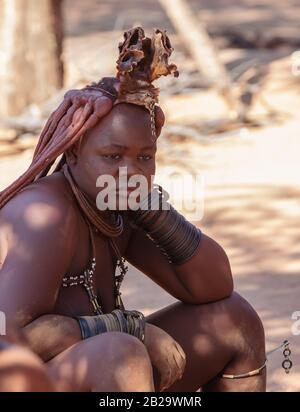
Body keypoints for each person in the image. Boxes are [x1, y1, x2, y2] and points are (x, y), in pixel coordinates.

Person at [0, 27, 266, 392]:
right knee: (120, 352)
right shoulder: (46, 212)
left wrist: (155, 210)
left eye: (145, 157)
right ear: (74, 151)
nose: (131, 172)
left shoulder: (118, 204)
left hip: (107, 374)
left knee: (236, 320)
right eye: (112, 156)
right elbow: (10, 339)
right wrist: (130, 327)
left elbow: (215, 287)